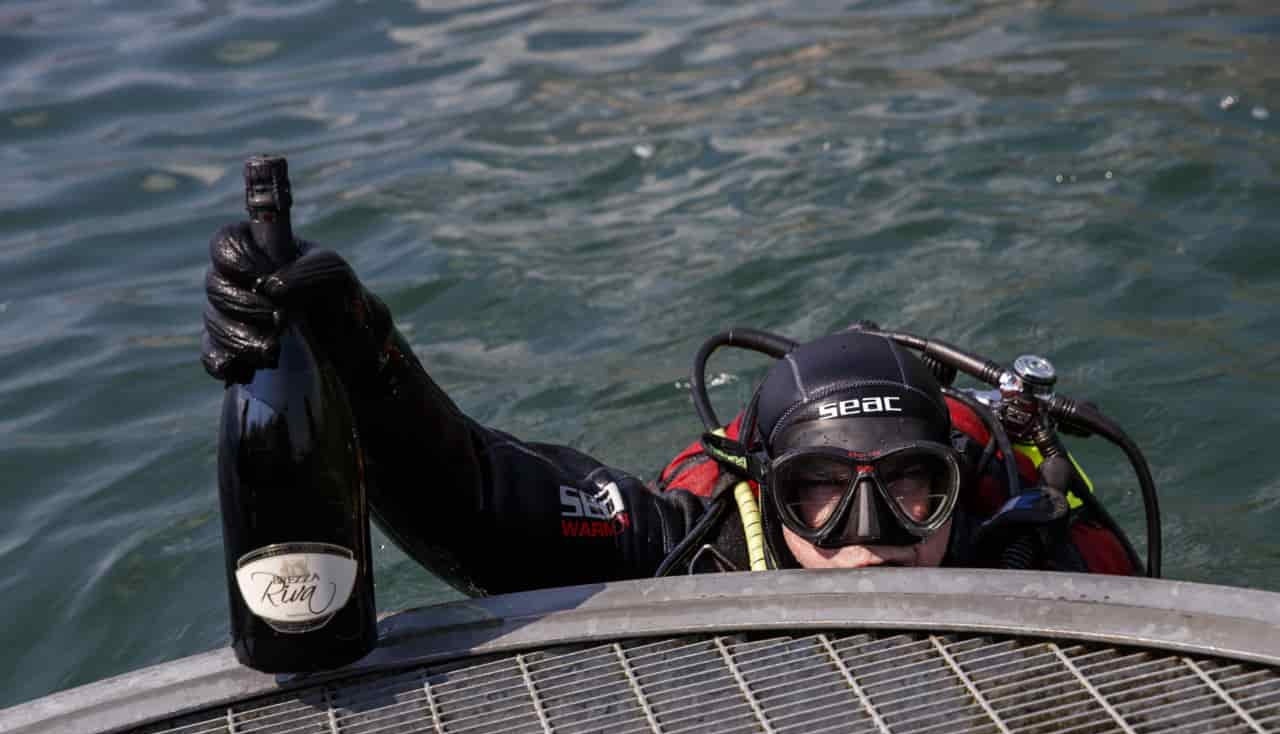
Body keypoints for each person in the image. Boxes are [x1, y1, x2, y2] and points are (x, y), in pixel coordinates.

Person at [202, 225, 1139, 594]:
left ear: (957, 488)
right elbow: (480, 502)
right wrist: (359, 351)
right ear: (763, 492)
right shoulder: (698, 542)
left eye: (912, 490)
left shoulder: (1022, 551)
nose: (871, 538)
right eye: (820, 492)